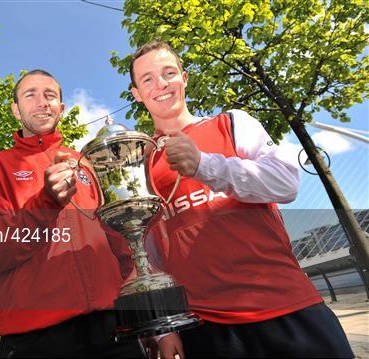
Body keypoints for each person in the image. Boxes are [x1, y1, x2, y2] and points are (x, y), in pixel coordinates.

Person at [129, 41, 354, 358]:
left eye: (169, 73)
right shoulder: (142, 164)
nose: (161, 84)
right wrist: (166, 327)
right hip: (208, 327)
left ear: (185, 78)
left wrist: (205, 166)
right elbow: (150, 255)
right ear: (137, 93)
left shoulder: (231, 122)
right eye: (147, 79)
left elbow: (286, 182)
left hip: (287, 306)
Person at [0, 69, 145, 358]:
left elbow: (119, 244)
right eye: (30, 95)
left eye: (50, 95)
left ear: (61, 109)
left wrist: (138, 312)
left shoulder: (87, 164)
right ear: (16, 110)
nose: (42, 102)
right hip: (35, 335)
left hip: (112, 326)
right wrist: (46, 202)